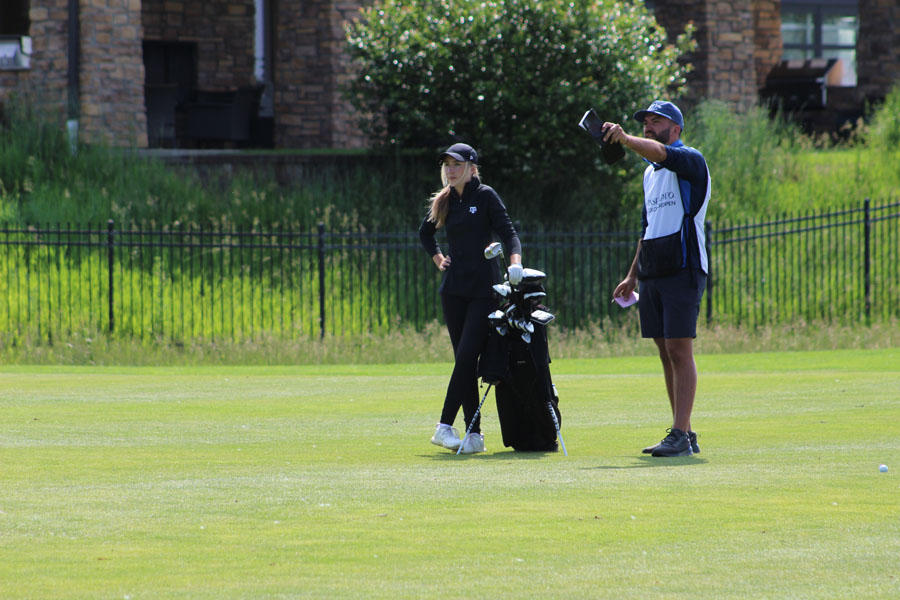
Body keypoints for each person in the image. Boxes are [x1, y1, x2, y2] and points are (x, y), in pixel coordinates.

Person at [607, 100, 711, 457]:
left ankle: (680, 434)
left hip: (684, 266)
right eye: (646, 121)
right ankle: (684, 432)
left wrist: (625, 139)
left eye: (657, 121)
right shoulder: (649, 174)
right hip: (653, 271)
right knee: (666, 352)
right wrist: (632, 275)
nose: (649, 126)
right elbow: (647, 227)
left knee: (680, 350)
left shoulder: (690, 160)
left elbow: (660, 152)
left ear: (676, 129)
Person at [418, 142, 523, 454]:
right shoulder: (446, 199)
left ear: (471, 167)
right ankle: (474, 434)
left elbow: (509, 234)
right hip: (453, 291)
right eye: (447, 165)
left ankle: (444, 426)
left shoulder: (486, 196)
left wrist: (515, 263)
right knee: (463, 361)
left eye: (457, 164)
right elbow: (425, 234)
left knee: (466, 358)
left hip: (483, 292)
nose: (451, 170)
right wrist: (438, 259)